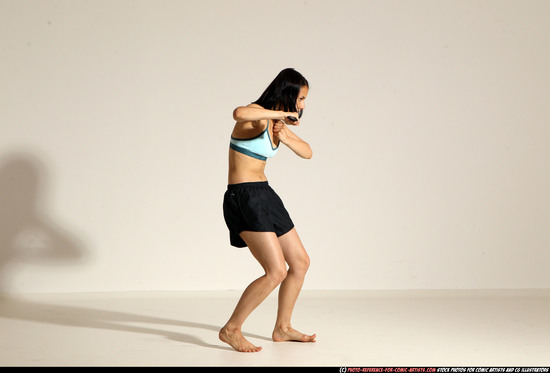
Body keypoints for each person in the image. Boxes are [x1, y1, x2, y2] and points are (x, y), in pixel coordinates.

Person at [220, 68, 316, 352]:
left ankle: (282, 328)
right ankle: (231, 329)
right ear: (287, 94)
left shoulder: (277, 125)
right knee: (275, 271)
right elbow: (238, 113)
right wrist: (277, 117)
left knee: (299, 263)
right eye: (300, 98)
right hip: (244, 196)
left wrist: (284, 135)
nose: (302, 105)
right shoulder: (257, 114)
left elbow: (309, 152)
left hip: (266, 195)